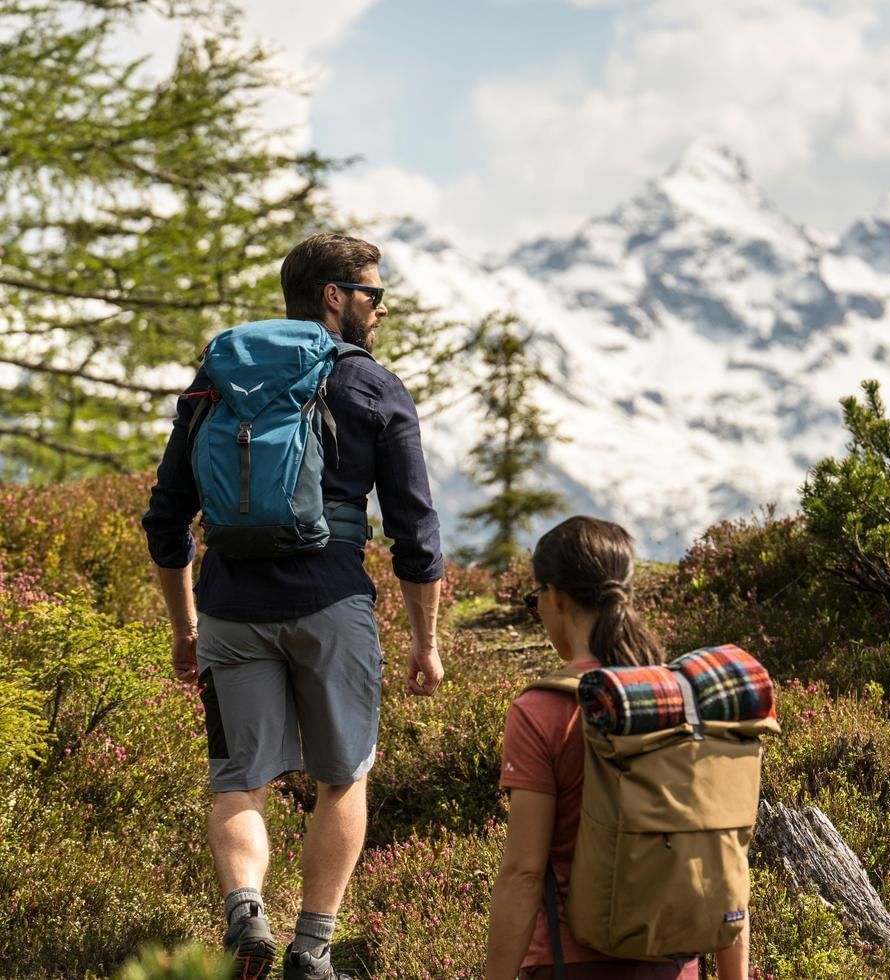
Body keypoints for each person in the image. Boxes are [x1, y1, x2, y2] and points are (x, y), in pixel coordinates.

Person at [141, 234, 445, 980]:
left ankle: (246, 911)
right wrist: (423, 639)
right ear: (335, 296)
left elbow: (166, 519)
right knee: (343, 778)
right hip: (332, 601)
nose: (380, 306)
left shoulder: (220, 377)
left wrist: (186, 629)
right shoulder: (373, 386)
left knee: (237, 777)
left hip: (230, 607)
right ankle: (312, 950)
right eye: (372, 293)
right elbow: (416, 530)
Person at [485, 516, 750, 980]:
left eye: (536, 599)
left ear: (557, 596)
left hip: (568, 964)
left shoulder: (540, 709)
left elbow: (523, 875)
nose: (540, 611)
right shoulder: (683, 700)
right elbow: (723, 852)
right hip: (676, 964)